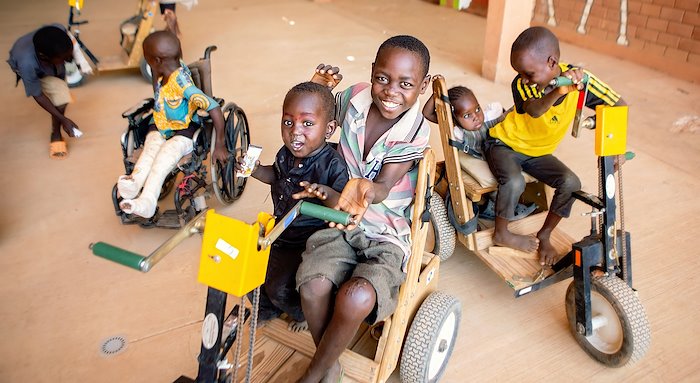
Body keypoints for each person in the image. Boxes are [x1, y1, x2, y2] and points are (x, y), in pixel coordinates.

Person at [294, 35, 431, 383]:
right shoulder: (354, 96)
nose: (390, 92)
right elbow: (318, 113)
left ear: (423, 85)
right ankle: (330, 364)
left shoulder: (416, 130)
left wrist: (368, 188)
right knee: (312, 287)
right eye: (382, 78)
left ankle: (315, 371)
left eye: (406, 84)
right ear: (372, 72)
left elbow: (384, 185)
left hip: (386, 231)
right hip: (341, 217)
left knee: (355, 297)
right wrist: (317, 89)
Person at [485, 26, 626, 266]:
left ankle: (545, 233)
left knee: (571, 183)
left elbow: (618, 104)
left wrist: (617, 147)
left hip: (537, 153)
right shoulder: (522, 84)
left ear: (552, 62)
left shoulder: (581, 81)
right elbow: (536, 110)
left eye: (529, 72)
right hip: (504, 145)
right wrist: (560, 89)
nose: (523, 77)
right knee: (515, 181)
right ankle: (502, 232)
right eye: (520, 73)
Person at [240, 81, 349, 332]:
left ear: (329, 129)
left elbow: (342, 203)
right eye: (288, 122)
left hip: (307, 240)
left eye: (307, 124)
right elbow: (274, 176)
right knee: (248, 269)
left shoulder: (332, 164)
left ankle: (302, 313)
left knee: (279, 286)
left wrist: (326, 193)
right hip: (279, 230)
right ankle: (266, 309)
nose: (295, 132)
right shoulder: (284, 154)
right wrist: (255, 170)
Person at [117, 31, 227, 218]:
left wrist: (220, 144)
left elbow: (214, 107)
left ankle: (148, 201)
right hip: (160, 125)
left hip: (184, 132)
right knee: (149, 152)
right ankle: (135, 182)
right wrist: (156, 71)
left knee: (163, 159)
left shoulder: (183, 84)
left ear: (157, 61)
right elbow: (157, 89)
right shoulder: (162, 72)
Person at [7, 25, 83, 159]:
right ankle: (56, 134)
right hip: (29, 66)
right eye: (64, 58)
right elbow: (38, 95)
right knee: (61, 95)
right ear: (44, 57)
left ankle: (58, 120)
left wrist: (71, 57)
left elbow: (65, 52)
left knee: (61, 95)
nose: (68, 60)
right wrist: (64, 120)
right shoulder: (26, 64)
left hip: (51, 61)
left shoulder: (58, 30)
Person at [422, 76, 504, 160]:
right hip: (480, 161)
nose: (476, 117)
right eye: (467, 115)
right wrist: (437, 93)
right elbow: (427, 113)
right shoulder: (458, 132)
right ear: (454, 118)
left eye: (477, 109)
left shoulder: (490, 116)